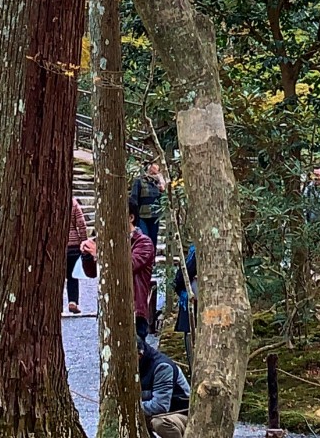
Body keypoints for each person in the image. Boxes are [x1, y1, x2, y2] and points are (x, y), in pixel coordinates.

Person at [139, 339, 191, 438]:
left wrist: (133, 407)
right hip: (158, 413)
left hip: (183, 414)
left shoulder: (162, 367)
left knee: (160, 423)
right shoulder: (136, 365)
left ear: (140, 354)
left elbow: (160, 406)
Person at [130, 202, 158, 345]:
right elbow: (91, 271)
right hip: (112, 309)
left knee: (137, 355)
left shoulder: (144, 243)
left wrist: (100, 254)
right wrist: (87, 255)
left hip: (135, 309)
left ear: (131, 217)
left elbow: (130, 265)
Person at [65, 196, 90, 314]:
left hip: (57, 247)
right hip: (73, 246)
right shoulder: (73, 203)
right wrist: (84, 242)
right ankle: (73, 301)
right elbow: (81, 224)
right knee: (72, 276)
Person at [130, 162, 165, 245]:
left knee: (153, 240)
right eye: (153, 168)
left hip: (155, 217)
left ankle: (152, 257)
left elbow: (163, 198)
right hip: (142, 216)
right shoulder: (139, 180)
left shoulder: (158, 183)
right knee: (144, 239)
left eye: (156, 169)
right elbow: (134, 198)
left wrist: (161, 182)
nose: (154, 171)